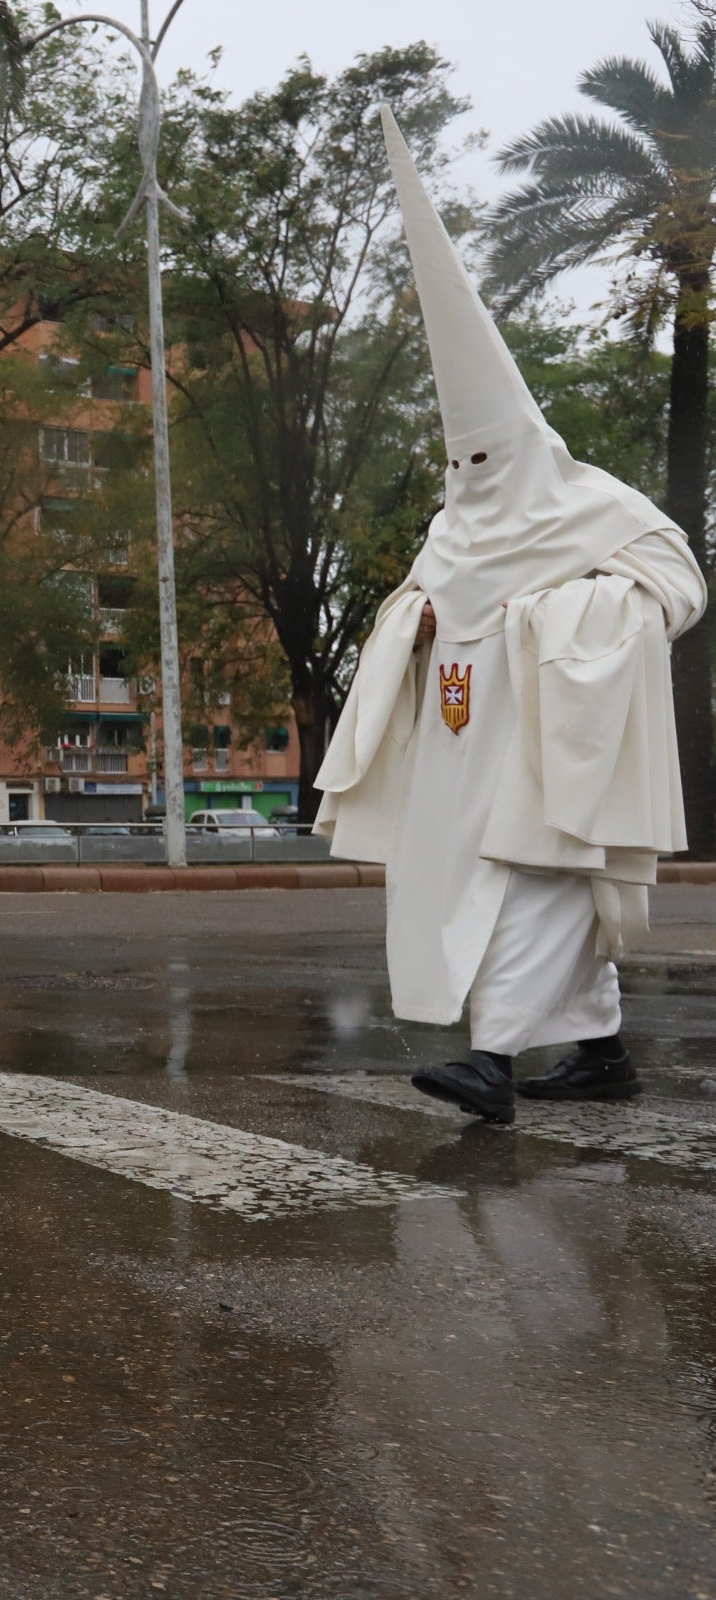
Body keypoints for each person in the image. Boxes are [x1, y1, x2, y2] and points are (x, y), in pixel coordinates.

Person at [315, 107, 705, 1125]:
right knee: (546, 899)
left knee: (529, 892)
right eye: (460, 461)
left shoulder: (594, 506)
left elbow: (675, 584)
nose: (473, 478)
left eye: (488, 459)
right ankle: (602, 1053)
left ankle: (490, 1062)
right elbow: (410, 609)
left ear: (527, 445)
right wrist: (421, 629)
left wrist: (566, 623)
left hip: (549, 747)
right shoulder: (452, 528)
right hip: (458, 757)